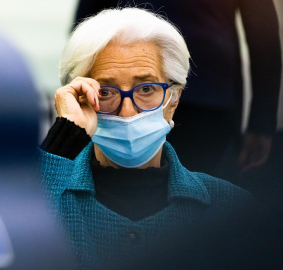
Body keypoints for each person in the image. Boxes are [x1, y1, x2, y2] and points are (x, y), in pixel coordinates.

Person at [39, 7, 264, 269]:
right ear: (81, 98)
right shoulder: (49, 197)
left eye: (146, 89)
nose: (127, 111)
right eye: (105, 92)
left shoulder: (233, 209)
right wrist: (66, 132)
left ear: (173, 99)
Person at [73, 0, 282, 184]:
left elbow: (84, 29)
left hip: (199, 96)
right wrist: (261, 124)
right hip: (208, 93)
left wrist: (262, 123)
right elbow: (264, 33)